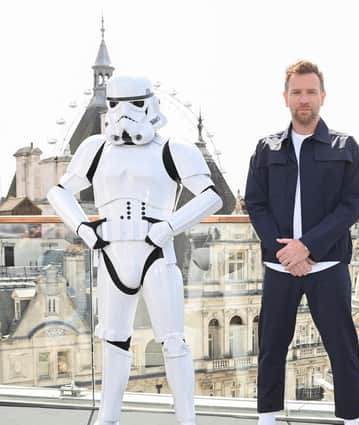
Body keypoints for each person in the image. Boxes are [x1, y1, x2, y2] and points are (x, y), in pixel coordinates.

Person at [47, 75, 223, 425]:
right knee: (112, 340)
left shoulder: (173, 149)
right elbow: (59, 192)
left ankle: (186, 419)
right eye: (115, 104)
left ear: (150, 103)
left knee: (173, 340)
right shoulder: (95, 148)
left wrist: (168, 227)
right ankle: (108, 417)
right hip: (112, 252)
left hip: (155, 254)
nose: (124, 113)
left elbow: (211, 197)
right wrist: (84, 229)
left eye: (134, 103)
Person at [245, 60, 359, 425]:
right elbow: (255, 203)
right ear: (286, 98)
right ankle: (267, 418)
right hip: (279, 265)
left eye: (311, 92)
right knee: (271, 347)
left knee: (342, 348)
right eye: (297, 92)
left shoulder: (346, 147)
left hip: (327, 266)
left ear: (322, 96)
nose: (304, 99)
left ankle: (351, 420)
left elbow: (351, 206)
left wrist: (306, 247)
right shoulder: (266, 149)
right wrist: (286, 252)